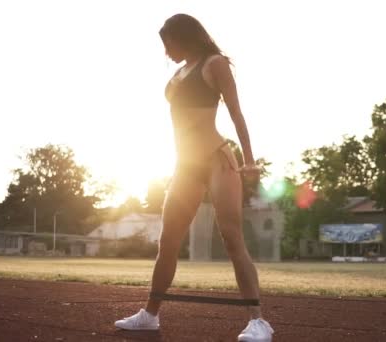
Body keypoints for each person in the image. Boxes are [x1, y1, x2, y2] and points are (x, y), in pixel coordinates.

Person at [114, 13, 274, 342]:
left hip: (216, 159)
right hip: (185, 164)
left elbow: (235, 111)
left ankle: (258, 321)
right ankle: (150, 315)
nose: (166, 51)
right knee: (168, 241)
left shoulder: (214, 64)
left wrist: (249, 159)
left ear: (185, 37)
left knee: (231, 237)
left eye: (168, 43)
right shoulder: (178, 72)